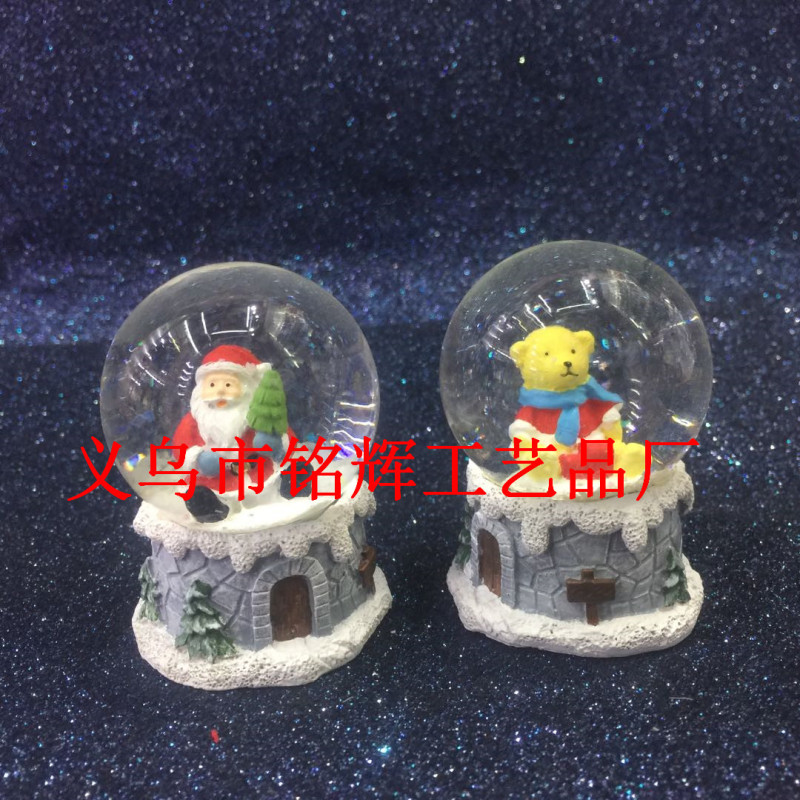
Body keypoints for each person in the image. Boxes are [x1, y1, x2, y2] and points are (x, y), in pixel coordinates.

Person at [172, 345, 287, 522]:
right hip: (215, 483)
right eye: (212, 384)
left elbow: (287, 437)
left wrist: (276, 445)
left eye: (228, 384)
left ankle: (289, 489)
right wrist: (198, 459)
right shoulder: (194, 422)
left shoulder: (257, 417)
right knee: (203, 497)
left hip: (259, 476)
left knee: (276, 486)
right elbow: (180, 448)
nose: (220, 392)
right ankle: (210, 510)